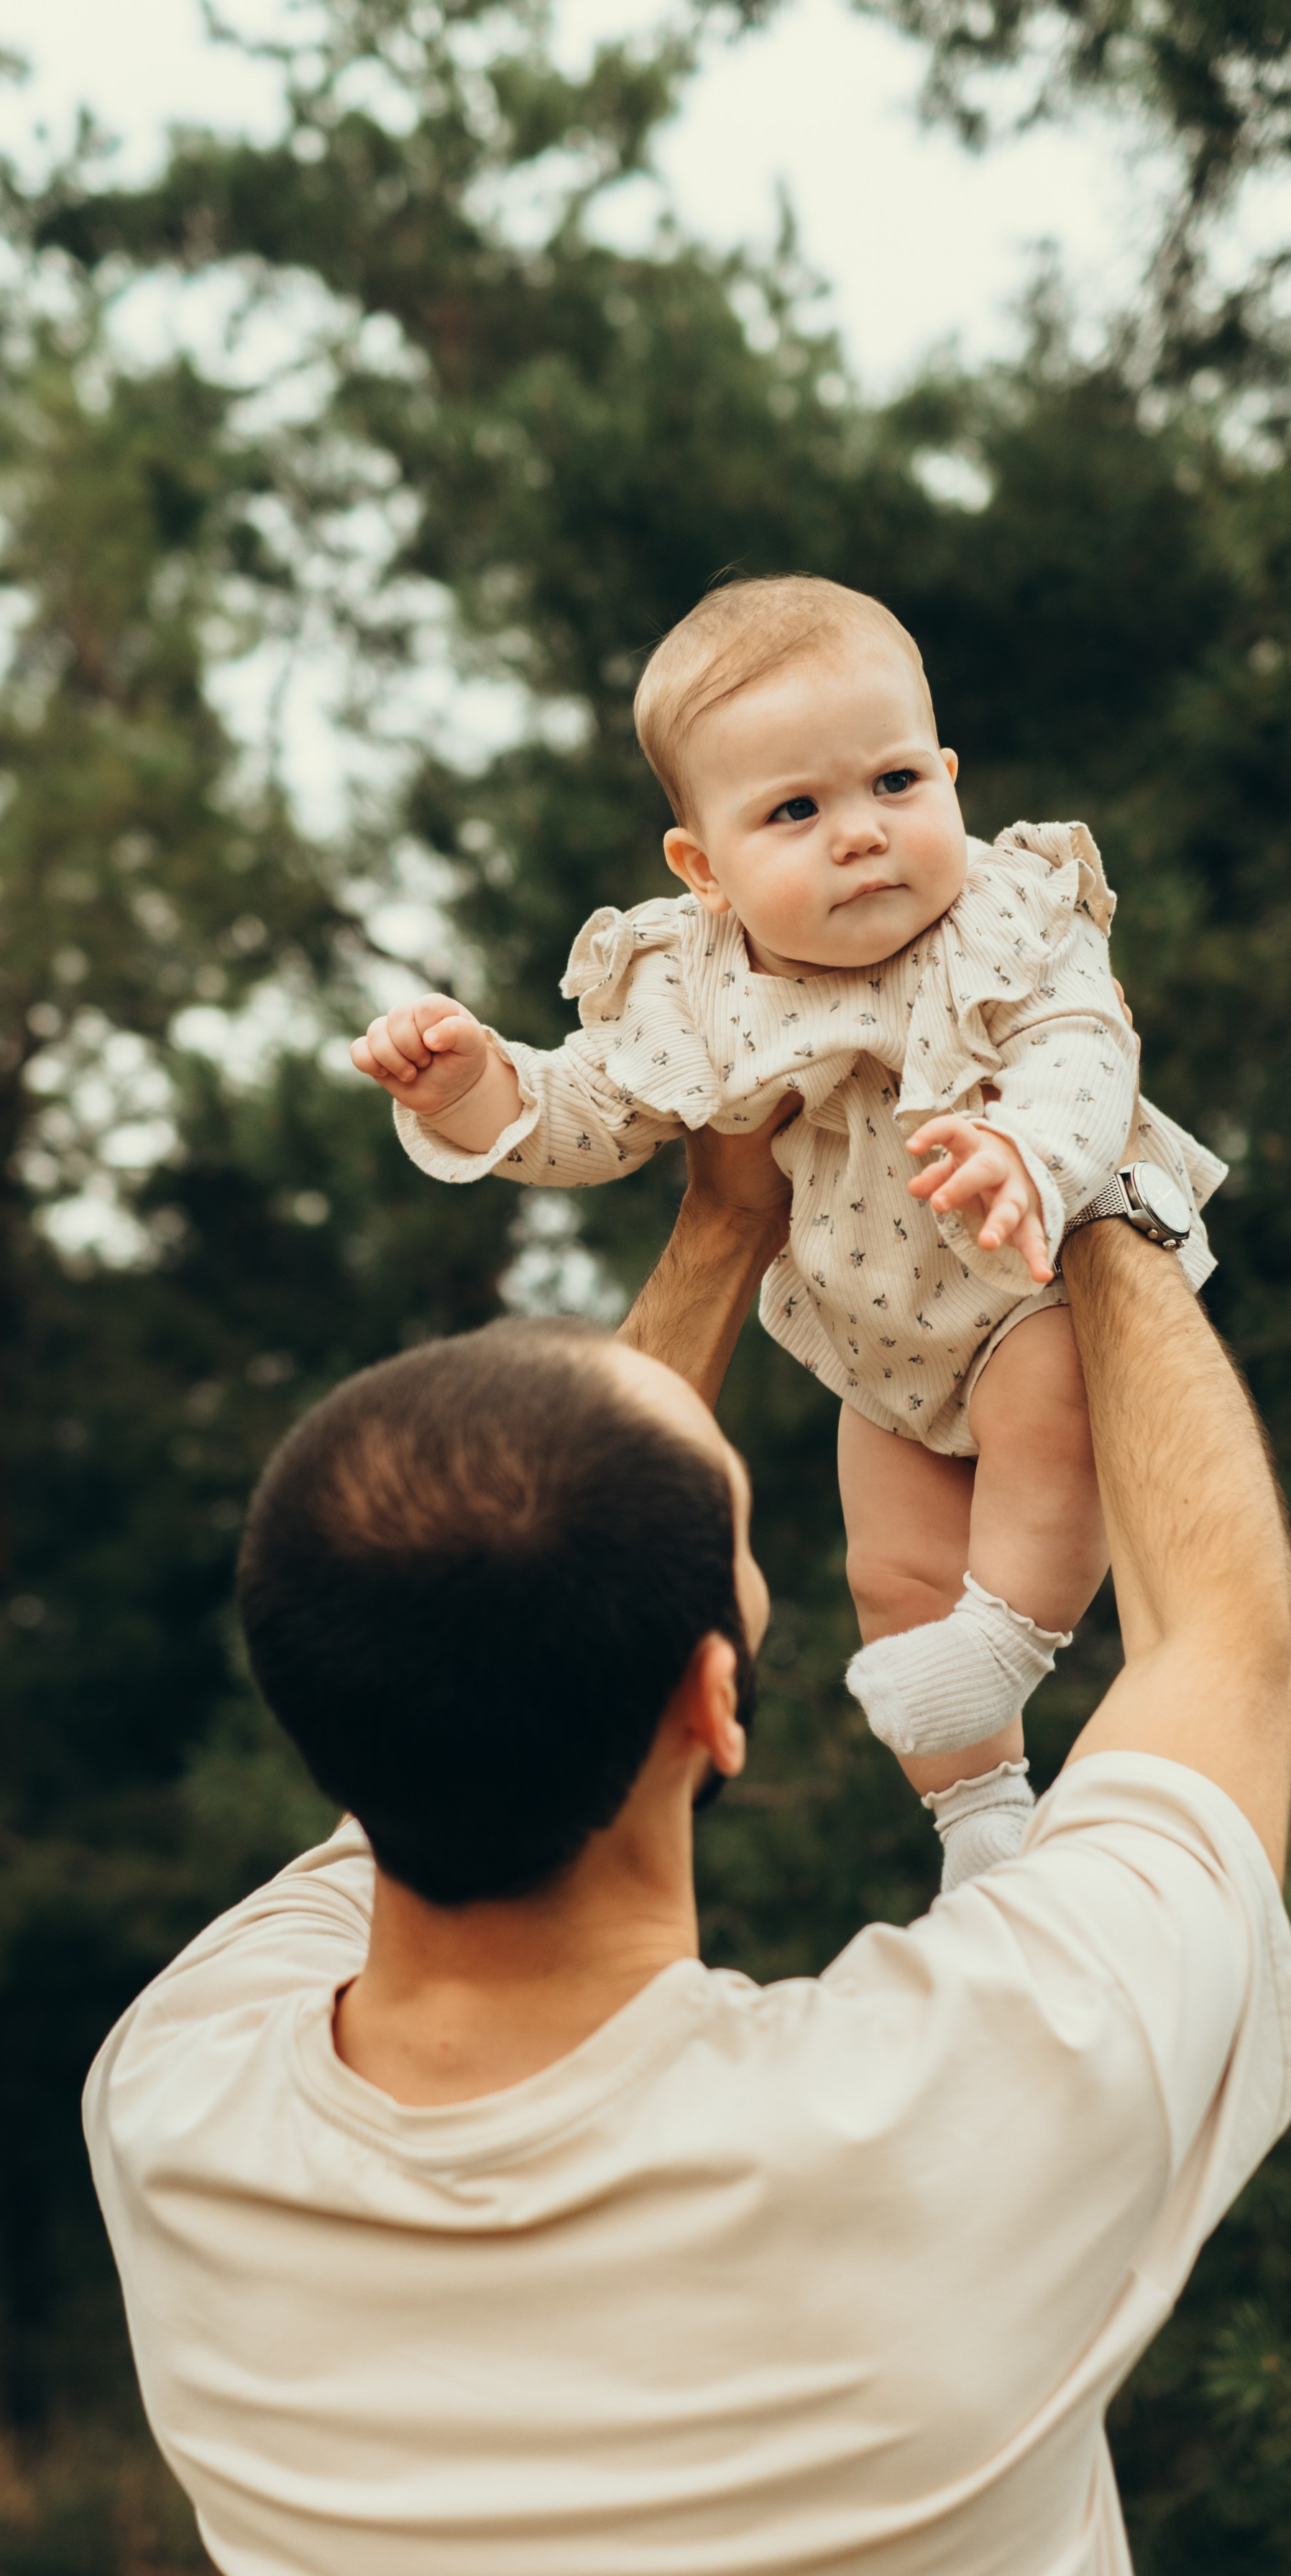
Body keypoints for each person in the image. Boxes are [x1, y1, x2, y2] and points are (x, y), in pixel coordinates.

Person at [83, 1112, 1291, 2576]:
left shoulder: (176, 2105)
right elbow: (1218, 1641)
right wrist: (1098, 1182)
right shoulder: (961, 2101)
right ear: (714, 1707)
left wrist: (725, 1226)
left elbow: (465, 1638)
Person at [349, 575, 1226, 1876]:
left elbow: (1088, 1051)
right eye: (797, 811)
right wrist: (478, 1084)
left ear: (948, 776)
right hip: (879, 1338)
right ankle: (980, 1817)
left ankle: (1012, 1640)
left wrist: (1027, 1153)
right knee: (889, 1579)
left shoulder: (1005, 913)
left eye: (893, 785)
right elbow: (596, 1118)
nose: (862, 835)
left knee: (1047, 1421)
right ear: (704, 869)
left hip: (1039, 1266)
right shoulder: (702, 983)